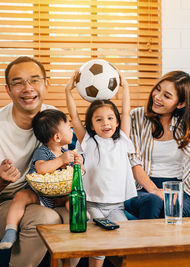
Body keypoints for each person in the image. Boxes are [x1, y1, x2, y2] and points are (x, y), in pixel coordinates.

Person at [0, 56, 70, 267]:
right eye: (18, 82)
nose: (27, 88)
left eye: (34, 80)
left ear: (46, 85)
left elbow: (62, 165)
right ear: (8, 90)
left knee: (79, 216)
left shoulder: (53, 119)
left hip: (42, 197)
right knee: (47, 219)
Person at [124, 35, 190, 220]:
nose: (157, 97)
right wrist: (154, 190)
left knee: (174, 209)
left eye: (166, 96)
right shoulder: (137, 117)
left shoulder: (188, 122)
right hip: (142, 187)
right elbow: (133, 160)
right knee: (154, 202)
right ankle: (145, 249)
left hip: (180, 187)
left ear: (180, 103)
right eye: (157, 89)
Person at [65, 70, 137, 267]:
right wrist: (68, 92)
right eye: (99, 120)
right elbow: (74, 118)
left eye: (110, 118)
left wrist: (126, 87)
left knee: (125, 238)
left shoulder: (122, 139)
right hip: (92, 204)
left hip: (116, 206)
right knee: (99, 243)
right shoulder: (88, 141)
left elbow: (126, 112)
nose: (106, 123)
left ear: (116, 121)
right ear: (92, 125)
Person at [0, 109, 84, 250]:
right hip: (39, 194)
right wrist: (61, 160)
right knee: (21, 196)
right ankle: (11, 230)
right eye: (69, 128)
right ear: (57, 137)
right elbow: (41, 169)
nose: (72, 131)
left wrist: (79, 164)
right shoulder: (43, 151)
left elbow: (77, 173)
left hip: (59, 197)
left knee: (73, 197)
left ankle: (79, 218)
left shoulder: (66, 152)